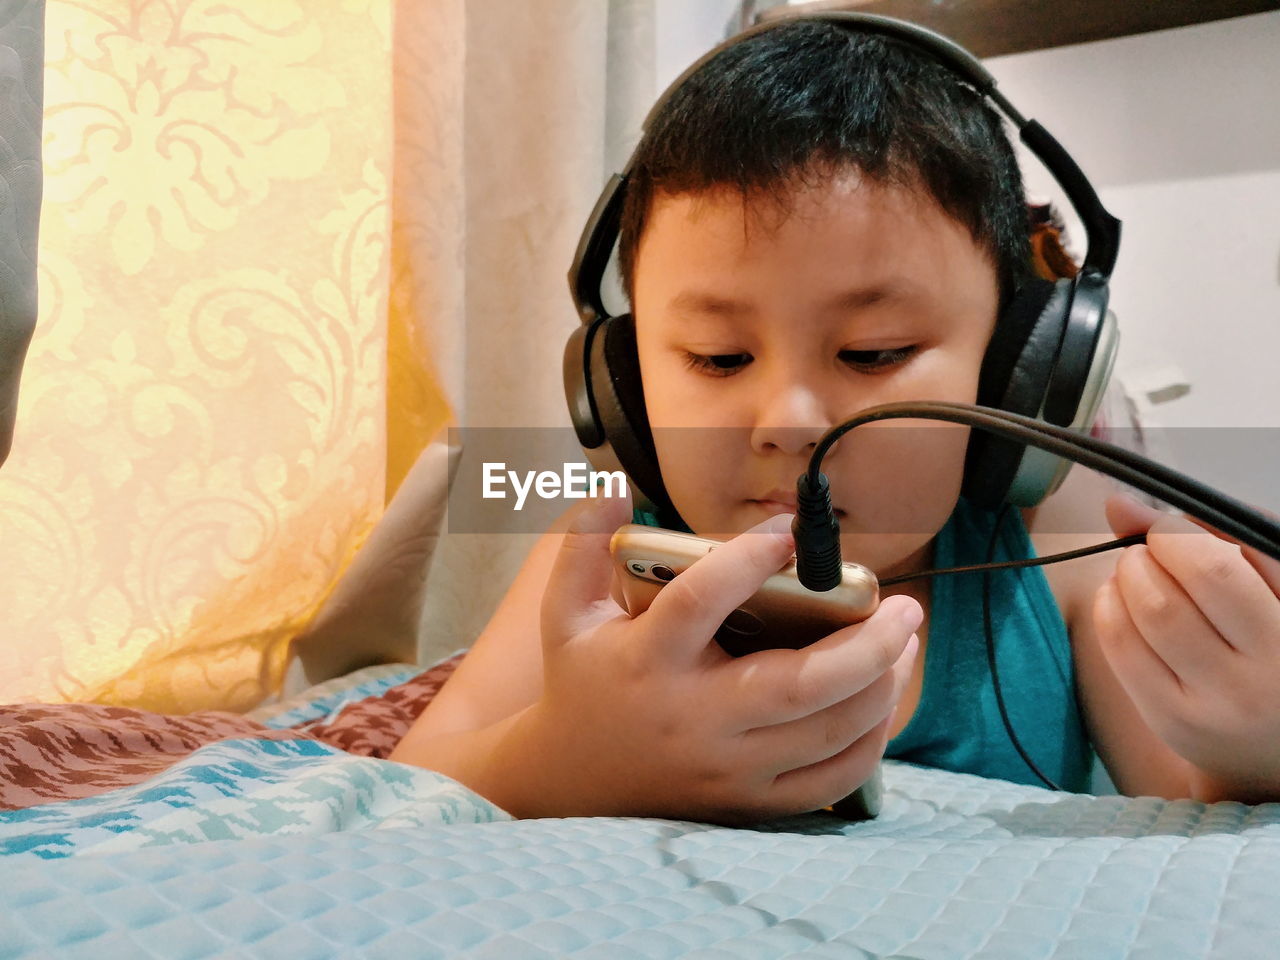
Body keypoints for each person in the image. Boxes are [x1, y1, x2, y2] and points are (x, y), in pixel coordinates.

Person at [389, 16, 1280, 821]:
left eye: (875, 352)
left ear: (1017, 373)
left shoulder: (1061, 561)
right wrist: (559, 761)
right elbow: (417, 782)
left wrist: (1257, 749)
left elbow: (1193, 810)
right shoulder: (596, 576)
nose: (789, 423)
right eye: (718, 357)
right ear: (614, 383)